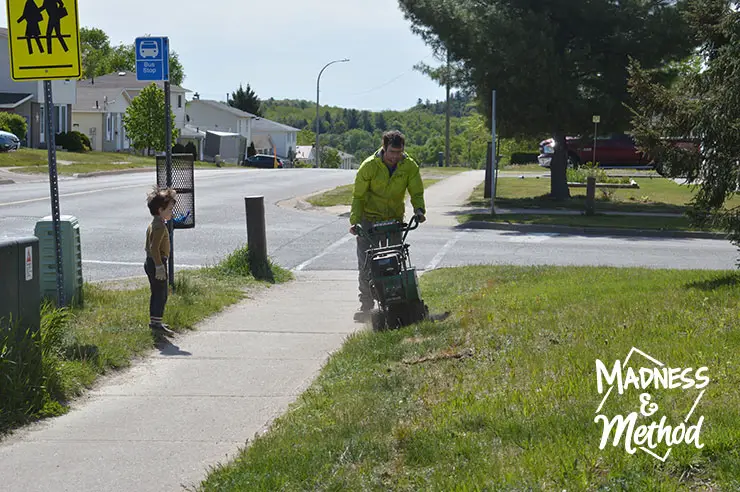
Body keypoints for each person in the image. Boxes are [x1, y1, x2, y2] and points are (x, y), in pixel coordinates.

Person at [349, 130, 426, 321]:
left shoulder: (409, 166)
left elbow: (416, 191)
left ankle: (400, 302)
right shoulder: (369, 167)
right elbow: (358, 196)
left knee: (397, 261)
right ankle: (366, 305)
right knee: (367, 263)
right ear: (384, 149)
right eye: (392, 152)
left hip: (393, 220)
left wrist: (419, 210)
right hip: (370, 219)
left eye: (399, 153)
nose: (395, 157)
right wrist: (355, 222)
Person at [144, 187, 176, 338]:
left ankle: (156, 321)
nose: (171, 212)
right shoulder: (158, 226)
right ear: (160, 210)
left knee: (157, 293)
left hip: (153, 262)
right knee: (160, 294)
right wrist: (159, 266)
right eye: (169, 209)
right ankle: (156, 324)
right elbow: (153, 247)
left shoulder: (156, 223)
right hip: (157, 262)